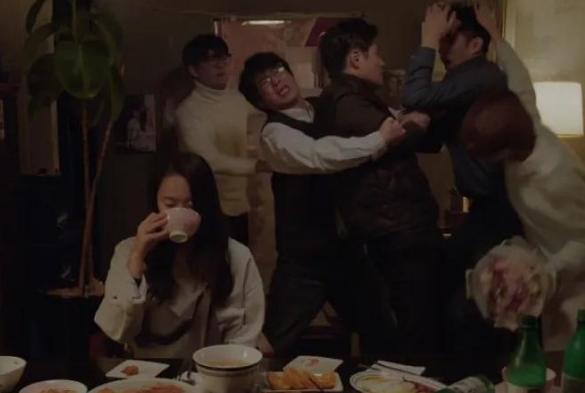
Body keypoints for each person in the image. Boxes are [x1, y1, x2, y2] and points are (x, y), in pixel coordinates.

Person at [238, 51, 421, 355]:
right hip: (304, 259)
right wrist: (380, 140)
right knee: (272, 340)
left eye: (278, 71)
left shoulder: (323, 106)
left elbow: (375, 117)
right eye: (265, 82)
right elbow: (321, 156)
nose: (277, 81)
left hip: (345, 249)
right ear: (260, 101)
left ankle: (375, 385)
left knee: (381, 330)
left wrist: (407, 118)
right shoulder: (274, 133)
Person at [461, 5, 585, 350]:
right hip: (547, 250)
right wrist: (496, 35)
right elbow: (519, 79)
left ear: (505, 149)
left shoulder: (555, 176)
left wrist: (549, 271)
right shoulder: (525, 119)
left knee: (565, 340)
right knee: (537, 333)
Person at [315, 19, 444, 353]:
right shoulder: (346, 100)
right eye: (376, 54)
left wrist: (406, 123)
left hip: (393, 224)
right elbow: (398, 138)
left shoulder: (355, 97)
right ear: (356, 58)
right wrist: (416, 123)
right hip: (394, 227)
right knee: (413, 321)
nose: (382, 62)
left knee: (414, 316)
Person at [401, 2, 521, 356]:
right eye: (440, 38)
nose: (441, 46)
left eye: (449, 38)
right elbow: (429, 138)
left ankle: (493, 372)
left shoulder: (482, 76)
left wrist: (426, 39)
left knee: (478, 302)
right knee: (449, 280)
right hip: (487, 208)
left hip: (503, 207)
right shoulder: (465, 85)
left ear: (476, 45)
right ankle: (461, 368)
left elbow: (416, 96)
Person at [94, 153, 266, 358]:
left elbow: (243, 338)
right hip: (145, 371)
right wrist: (137, 257)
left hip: (211, 369)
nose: (180, 213)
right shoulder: (128, 250)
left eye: (190, 206)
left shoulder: (235, 256)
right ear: (155, 202)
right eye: (170, 204)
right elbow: (117, 331)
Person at [175, 34, 266, 245]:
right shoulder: (189, 111)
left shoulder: (238, 99)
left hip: (242, 205)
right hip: (207, 207)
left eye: (224, 58)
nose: (220, 65)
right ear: (193, 69)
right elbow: (209, 159)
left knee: (242, 259)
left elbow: (262, 123)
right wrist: (257, 165)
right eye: (211, 60)